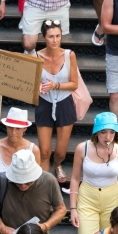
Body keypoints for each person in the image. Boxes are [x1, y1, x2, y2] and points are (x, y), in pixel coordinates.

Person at [35, 19, 78, 182]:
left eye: (58, 36)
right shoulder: (36, 56)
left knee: (60, 151)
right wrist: (37, 87)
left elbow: (74, 84)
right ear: (44, 37)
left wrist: (55, 85)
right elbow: (30, 83)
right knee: (44, 151)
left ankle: (58, 164)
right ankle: (44, 183)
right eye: (51, 36)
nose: (55, 40)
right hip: (44, 102)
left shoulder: (69, 55)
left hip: (64, 102)